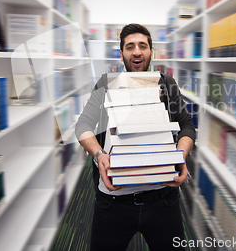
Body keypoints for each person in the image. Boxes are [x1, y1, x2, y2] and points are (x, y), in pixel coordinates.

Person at [75, 23, 196, 251]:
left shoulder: (167, 84)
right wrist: (98, 154)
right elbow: (83, 125)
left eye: (143, 45)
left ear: (151, 52)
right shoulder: (106, 84)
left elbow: (187, 126)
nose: (137, 51)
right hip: (114, 201)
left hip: (163, 199)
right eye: (130, 47)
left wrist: (181, 154)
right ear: (121, 54)